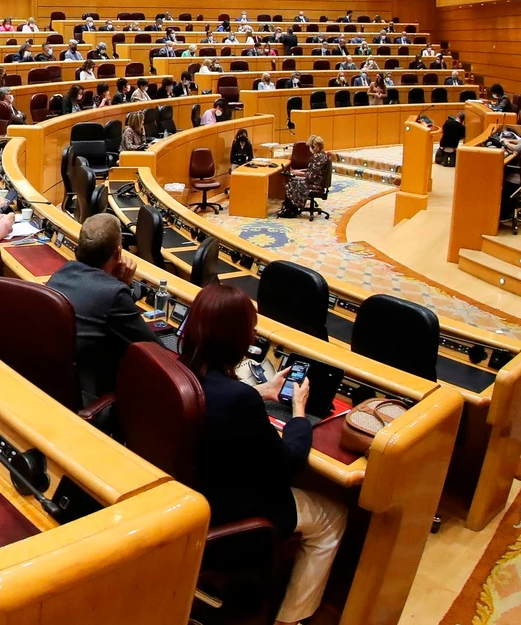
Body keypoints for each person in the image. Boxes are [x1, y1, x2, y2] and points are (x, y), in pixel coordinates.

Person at [179, 283, 347, 625]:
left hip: (187, 493)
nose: (254, 336)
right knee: (334, 516)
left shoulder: (177, 371)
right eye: (250, 329)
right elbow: (287, 463)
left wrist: (260, 391)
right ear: (237, 339)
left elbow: (211, 399)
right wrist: (299, 412)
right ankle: (292, 619)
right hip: (230, 515)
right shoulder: (240, 401)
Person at [45, 214, 157, 406]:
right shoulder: (114, 293)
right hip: (82, 395)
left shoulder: (61, 273)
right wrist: (123, 285)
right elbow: (154, 350)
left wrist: (117, 283)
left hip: (49, 383)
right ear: (118, 253)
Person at [280, 135, 329, 218]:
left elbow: (311, 176)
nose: (309, 148)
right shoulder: (322, 155)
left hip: (315, 184)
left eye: (310, 146)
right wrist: (300, 171)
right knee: (293, 180)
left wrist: (299, 174)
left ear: (314, 147)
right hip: (317, 180)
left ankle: (291, 210)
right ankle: (292, 207)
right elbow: (311, 170)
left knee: (290, 183)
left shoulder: (318, 159)